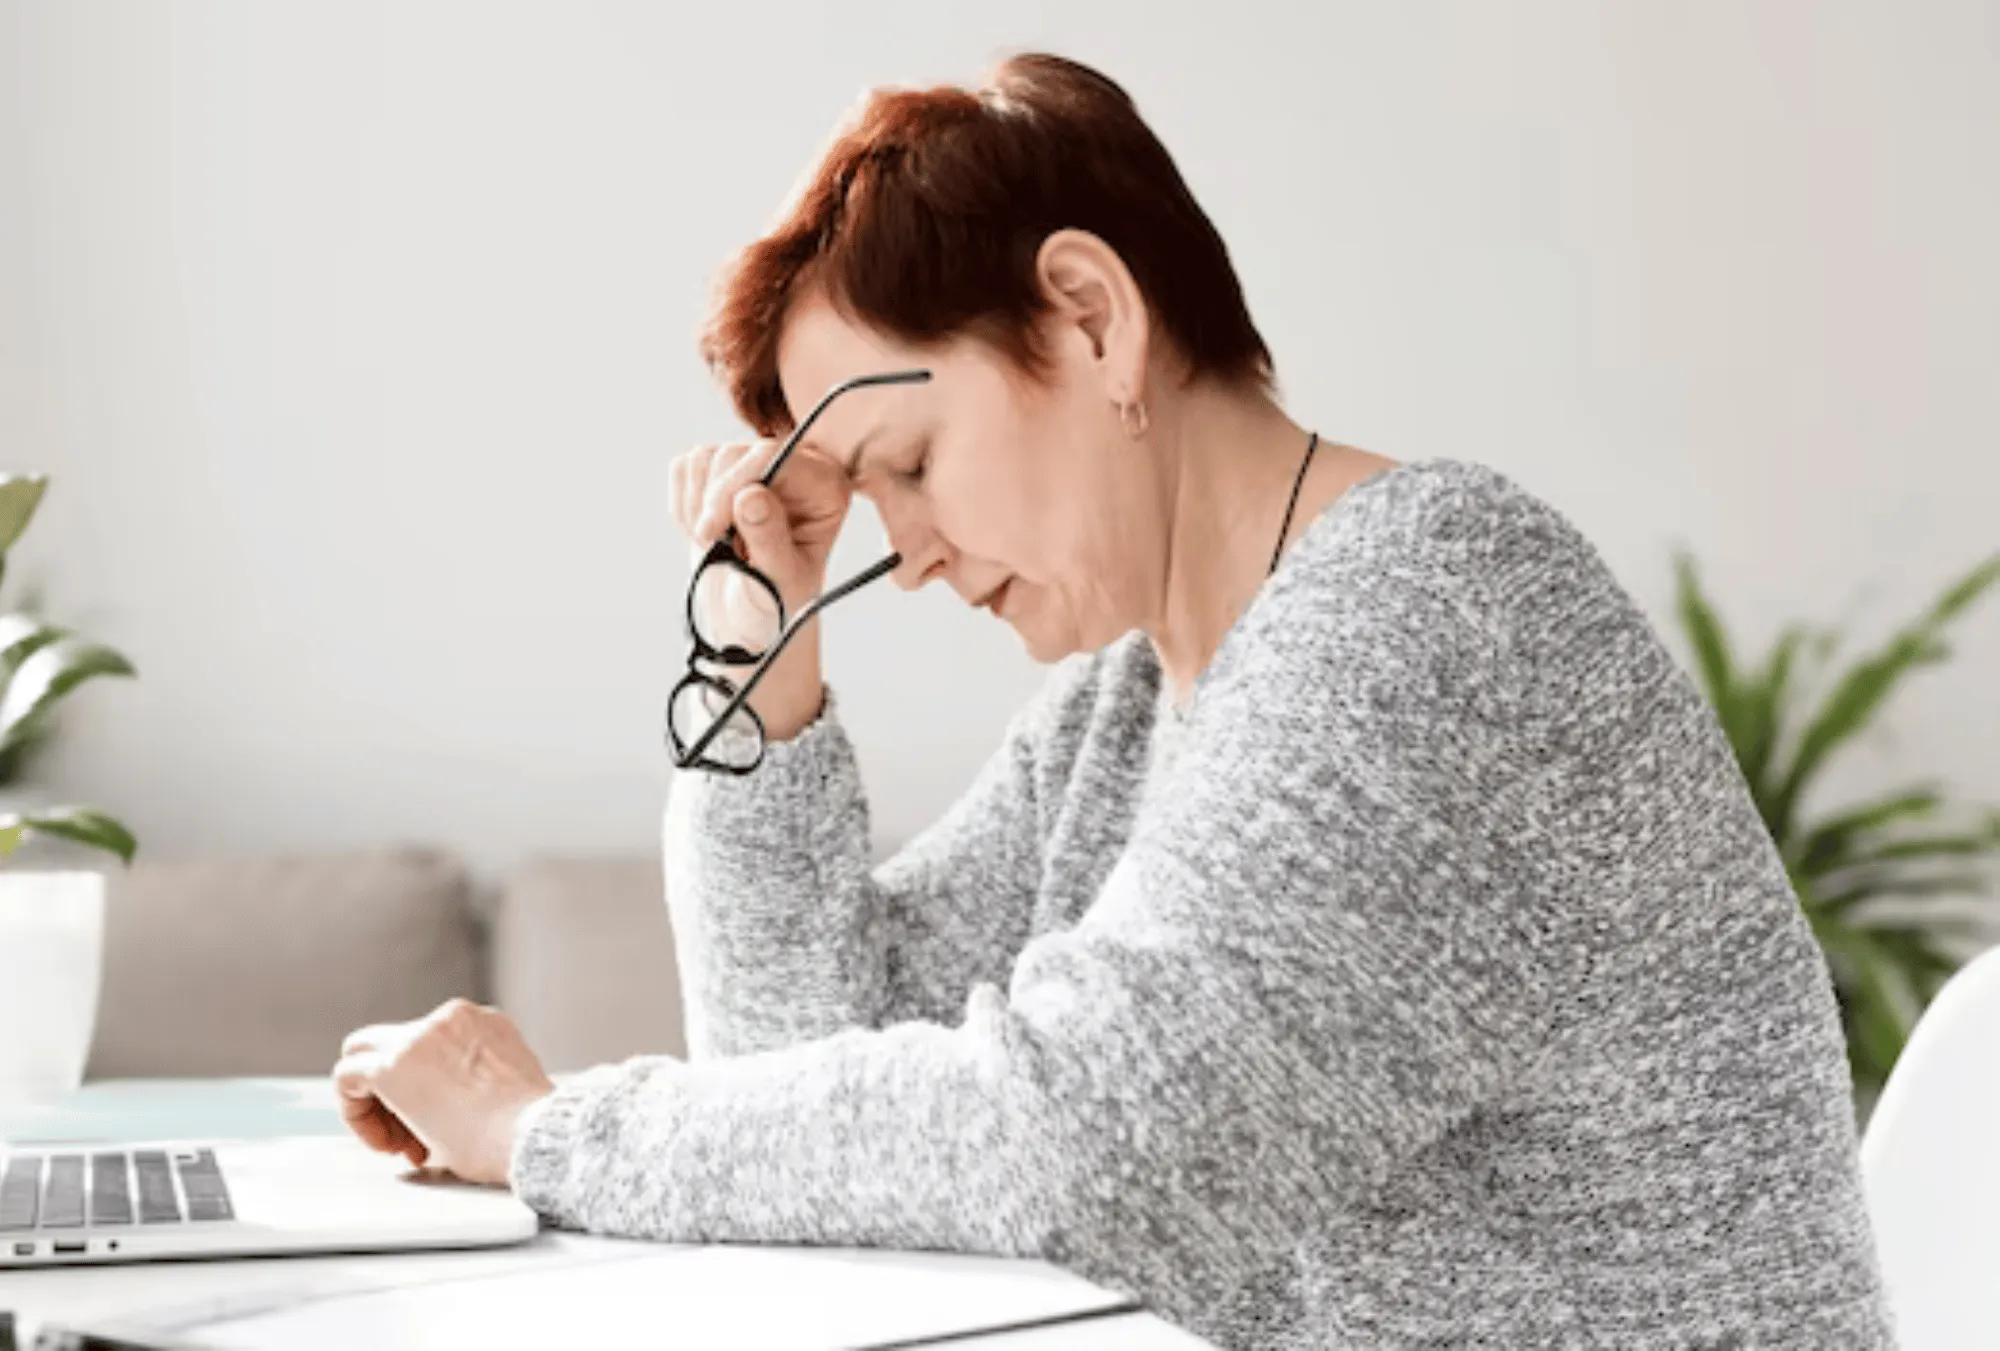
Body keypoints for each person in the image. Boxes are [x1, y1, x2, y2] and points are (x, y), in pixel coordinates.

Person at [332, 52, 1893, 1347]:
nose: (916, 558)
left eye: (912, 469)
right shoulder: (1131, 705)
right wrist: (767, 657)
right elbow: (808, 1065)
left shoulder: (1434, 611)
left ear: (1090, 316)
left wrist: (550, 1134)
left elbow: (1096, 1145)